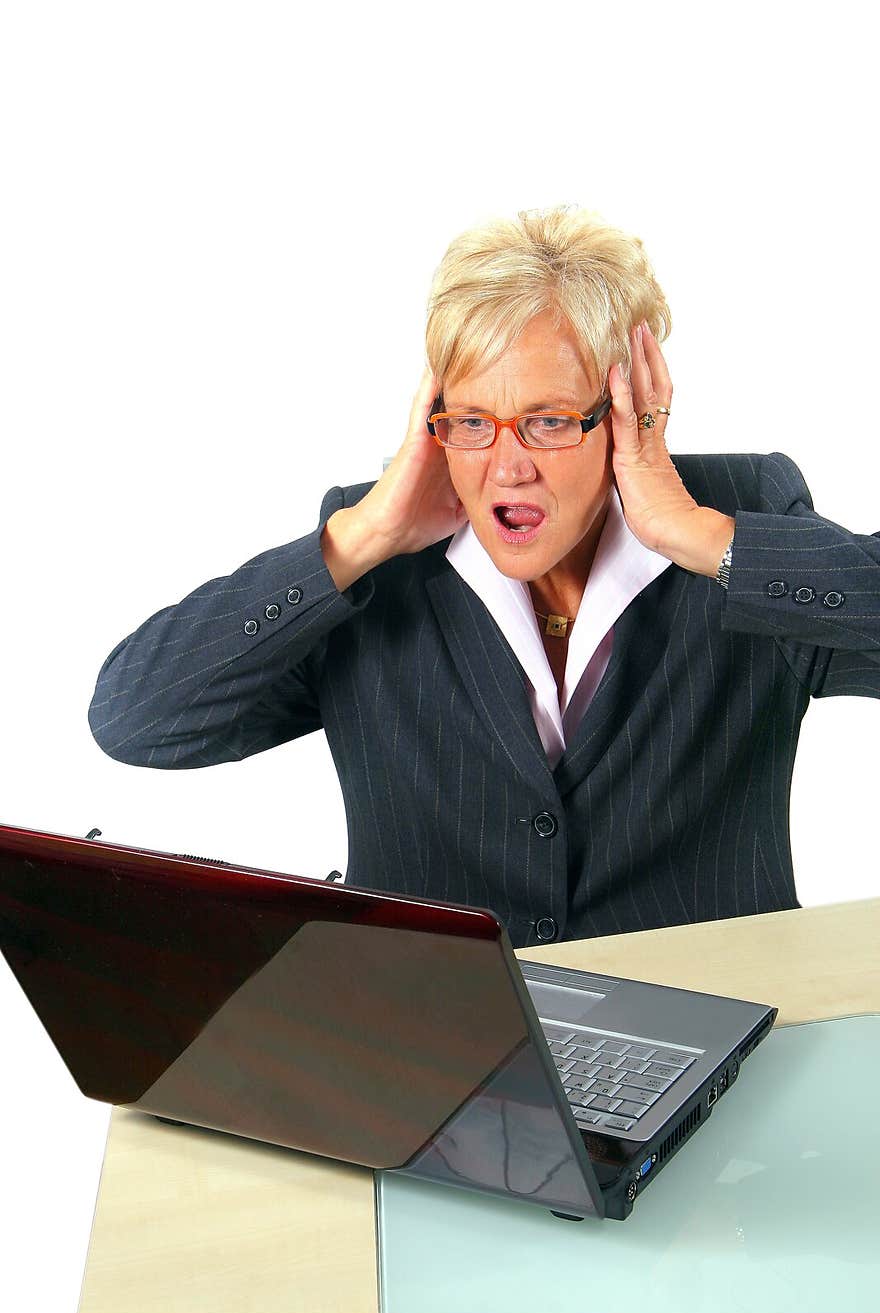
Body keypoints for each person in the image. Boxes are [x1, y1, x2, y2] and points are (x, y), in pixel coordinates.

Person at [88, 206, 880, 946]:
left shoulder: (741, 516)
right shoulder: (376, 561)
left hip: (716, 1049)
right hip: (436, 1057)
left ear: (629, 408)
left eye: (547, 421)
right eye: (471, 421)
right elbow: (136, 720)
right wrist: (359, 538)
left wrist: (703, 536)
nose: (506, 467)